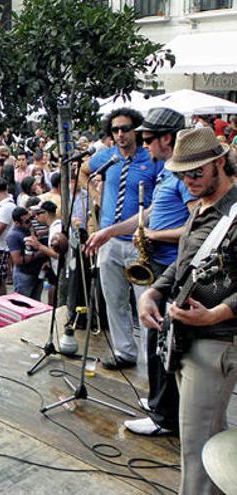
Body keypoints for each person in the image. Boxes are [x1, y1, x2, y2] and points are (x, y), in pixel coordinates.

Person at [137, 127, 237, 495]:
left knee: (196, 449)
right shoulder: (202, 208)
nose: (189, 181)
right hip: (187, 336)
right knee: (209, 438)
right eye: (182, 174)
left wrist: (218, 313)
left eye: (197, 172)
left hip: (215, 341)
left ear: (220, 162)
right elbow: (184, 265)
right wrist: (153, 291)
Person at [110, 108, 195, 437]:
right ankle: (159, 401)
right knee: (154, 338)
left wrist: (154, 236)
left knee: (164, 340)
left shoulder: (185, 176)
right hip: (156, 261)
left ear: (168, 138)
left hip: (171, 265)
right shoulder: (166, 172)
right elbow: (147, 216)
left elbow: (194, 225)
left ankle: (165, 418)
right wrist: (111, 232)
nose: (143, 145)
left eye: (148, 139)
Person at [83, 108, 164, 370]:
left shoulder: (151, 159)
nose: (120, 134)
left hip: (140, 242)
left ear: (136, 131)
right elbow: (83, 171)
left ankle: (154, 357)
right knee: (114, 298)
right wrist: (97, 198)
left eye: (126, 128)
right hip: (108, 241)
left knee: (144, 301)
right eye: (115, 129)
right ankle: (124, 352)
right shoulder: (107, 157)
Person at [7, 206, 47, 300]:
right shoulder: (13, 236)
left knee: (36, 304)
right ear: (17, 223)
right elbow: (17, 260)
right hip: (24, 275)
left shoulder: (28, 228)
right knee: (23, 304)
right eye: (27, 221)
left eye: (31, 219)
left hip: (36, 273)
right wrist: (39, 253)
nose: (31, 222)